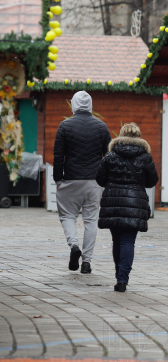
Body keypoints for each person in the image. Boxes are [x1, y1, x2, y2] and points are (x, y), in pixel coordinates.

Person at [95, 123, 159, 292]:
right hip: (134, 203)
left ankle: (119, 276)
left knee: (117, 240)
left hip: (113, 203)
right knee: (128, 241)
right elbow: (153, 181)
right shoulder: (145, 157)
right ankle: (123, 279)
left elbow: (100, 179)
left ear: (120, 135)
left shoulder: (110, 156)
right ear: (138, 136)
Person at [53, 91, 111, 274]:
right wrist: (105, 179)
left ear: (75, 105)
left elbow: (58, 156)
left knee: (67, 216)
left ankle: (74, 245)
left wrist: (58, 179)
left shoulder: (64, 126)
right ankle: (86, 262)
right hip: (94, 181)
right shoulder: (101, 127)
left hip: (70, 179)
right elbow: (109, 156)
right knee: (91, 220)